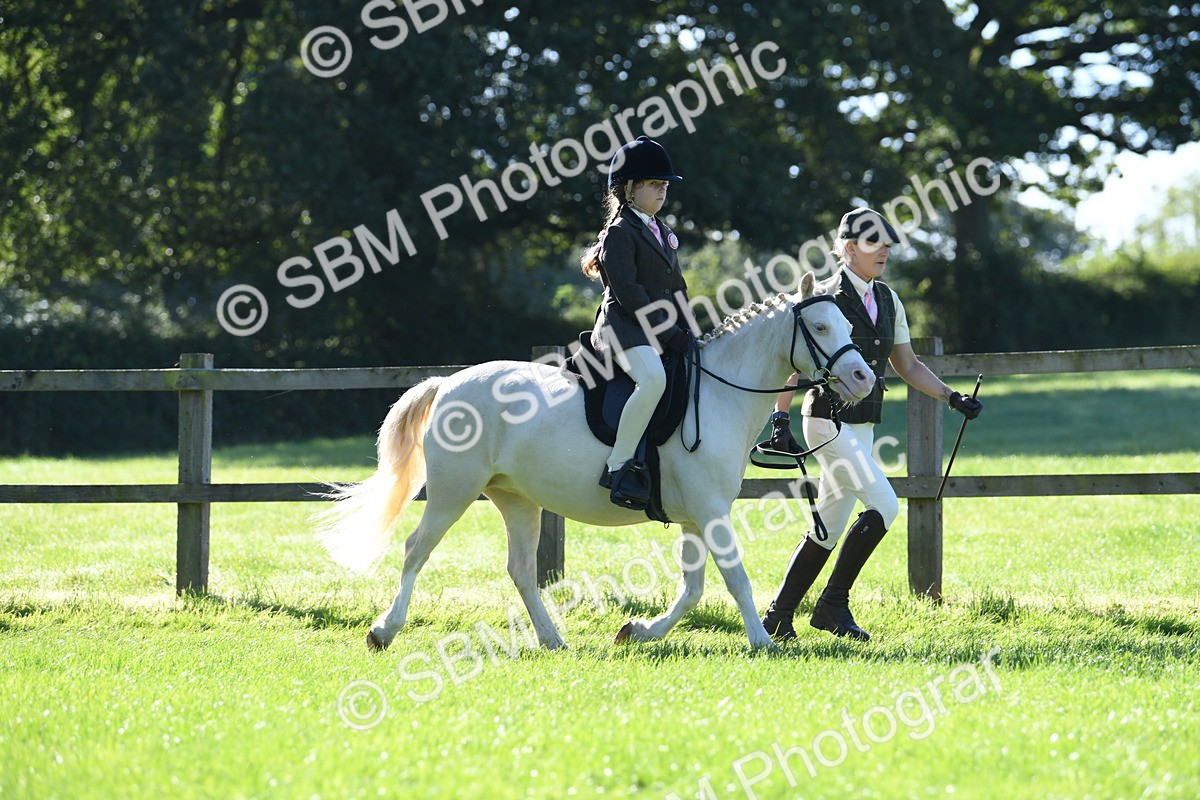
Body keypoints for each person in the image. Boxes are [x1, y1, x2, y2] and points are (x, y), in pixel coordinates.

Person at [760, 206, 983, 641]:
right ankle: (832, 606)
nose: (884, 250)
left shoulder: (888, 299)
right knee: (885, 505)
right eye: (873, 242)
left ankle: (778, 616)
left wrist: (952, 398)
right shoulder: (822, 295)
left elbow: (908, 364)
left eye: (887, 243)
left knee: (826, 529)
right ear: (848, 248)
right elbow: (791, 364)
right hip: (826, 423)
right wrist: (778, 418)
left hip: (864, 426)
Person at [580, 136, 691, 510]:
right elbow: (630, 294)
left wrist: (689, 330)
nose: (662, 192)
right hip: (623, 329)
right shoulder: (619, 233)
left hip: (654, 329)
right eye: (653, 185)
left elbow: (677, 288)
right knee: (654, 379)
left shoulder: (661, 232)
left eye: (664, 186)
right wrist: (670, 332)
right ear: (628, 189)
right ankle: (619, 465)